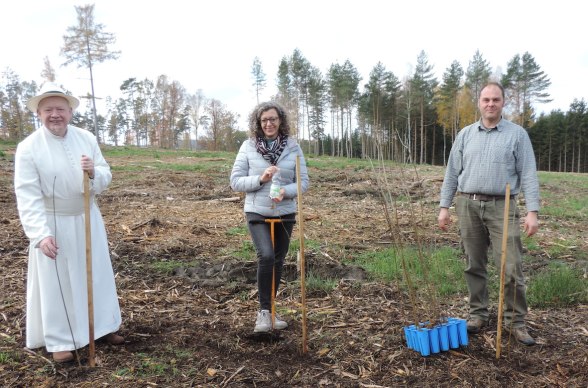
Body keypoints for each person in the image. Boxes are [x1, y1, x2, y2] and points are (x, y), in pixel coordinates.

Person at [14, 82, 124, 363]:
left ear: (70, 111)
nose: (55, 115)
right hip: (54, 223)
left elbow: (105, 174)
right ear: (38, 113)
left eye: (60, 109)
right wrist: (40, 235)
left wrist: (93, 174)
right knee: (59, 281)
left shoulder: (86, 138)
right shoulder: (28, 148)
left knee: (94, 273)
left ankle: (101, 328)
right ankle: (61, 339)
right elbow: (27, 195)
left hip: (88, 217)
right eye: (48, 109)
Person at [438, 81, 540, 346]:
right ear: (479, 103)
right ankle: (477, 314)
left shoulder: (517, 135)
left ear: (503, 103)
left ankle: (515, 322)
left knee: (511, 266)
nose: (490, 104)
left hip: (502, 206)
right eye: (486, 100)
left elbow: (528, 174)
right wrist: (444, 207)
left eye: (495, 100)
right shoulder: (465, 135)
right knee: (474, 264)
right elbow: (451, 173)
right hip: (467, 205)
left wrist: (532, 211)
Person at [230, 101, 309, 333]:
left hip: (284, 212)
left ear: (280, 121)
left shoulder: (293, 147)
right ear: (258, 123)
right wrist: (261, 179)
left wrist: (287, 192)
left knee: (278, 260)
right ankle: (263, 313)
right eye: (264, 120)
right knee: (265, 256)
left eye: (273, 119)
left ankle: (273, 311)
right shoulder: (248, 146)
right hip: (257, 211)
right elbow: (235, 181)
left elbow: (303, 182)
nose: (269, 123)